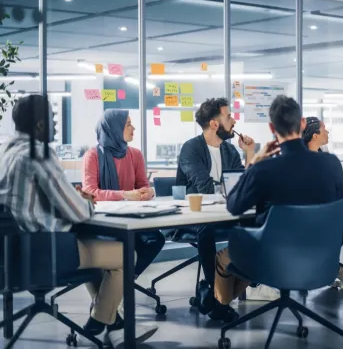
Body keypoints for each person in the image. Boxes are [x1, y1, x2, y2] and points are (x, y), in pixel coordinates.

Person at [0, 95, 157, 348]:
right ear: (39, 125)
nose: (56, 125)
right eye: (52, 119)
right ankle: (99, 323)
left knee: (91, 242)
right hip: (43, 252)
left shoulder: (5, 152)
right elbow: (79, 212)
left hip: (10, 256)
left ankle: (113, 322)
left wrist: (75, 198)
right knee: (126, 255)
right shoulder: (38, 153)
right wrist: (84, 200)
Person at [205, 95, 343, 323]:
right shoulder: (332, 164)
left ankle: (219, 309)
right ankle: (216, 302)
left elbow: (234, 205)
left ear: (272, 127)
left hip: (274, 260)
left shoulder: (267, 169)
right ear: (301, 124)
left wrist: (255, 163)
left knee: (225, 256)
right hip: (321, 259)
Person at [176, 98, 277, 312]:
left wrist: (249, 153)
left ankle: (232, 290)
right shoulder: (191, 148)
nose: (234, 121)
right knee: (206, 230)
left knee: (256, 222)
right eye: (229, 116)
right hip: (193, 217)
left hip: (223, 213)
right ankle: (215, 292)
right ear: (214, 124)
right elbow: (203, 186)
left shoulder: (229, 151)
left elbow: (244, 186)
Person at [82, 109, 165, 278]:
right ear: (114, 128)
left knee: (156, 239)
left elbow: (142, 185)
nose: (133, 128)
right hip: (104, 221)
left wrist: (148, 192)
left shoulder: (135, 155)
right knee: (120, 245)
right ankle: (118, 285)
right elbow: (89, 192)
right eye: (128, 124)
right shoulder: (92, 156)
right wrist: (125, 194)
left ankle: (124, 280)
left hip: (132, 218)